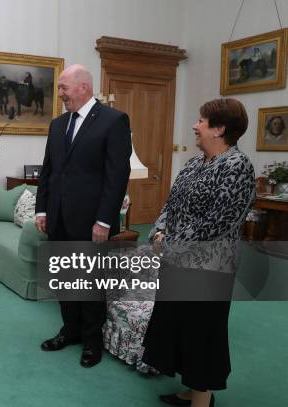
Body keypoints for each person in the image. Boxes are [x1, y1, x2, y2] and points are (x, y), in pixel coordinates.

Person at [143, 98, 256, 407]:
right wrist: (160, 229)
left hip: (209, 267)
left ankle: (201, 401)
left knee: (202, 333)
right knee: (179, 326)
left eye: (202, 121)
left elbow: (219, 222)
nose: (195, 125)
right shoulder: (194, 162)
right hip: (177, 261)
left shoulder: (238, 166)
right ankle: (189, 390)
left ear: (219, 129)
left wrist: (171, 243)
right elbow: (172, 201)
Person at [35, 64, 132, 368]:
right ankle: (70, 331)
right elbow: (48, 170)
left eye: (64, 87)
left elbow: (117, 176)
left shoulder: (113, 121)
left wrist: (104, 220)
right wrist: (42, 208)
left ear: (84, 87)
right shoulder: (57, 123)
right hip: (58, 218)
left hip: (92, 222)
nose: (60, 93)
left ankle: (92, 342)